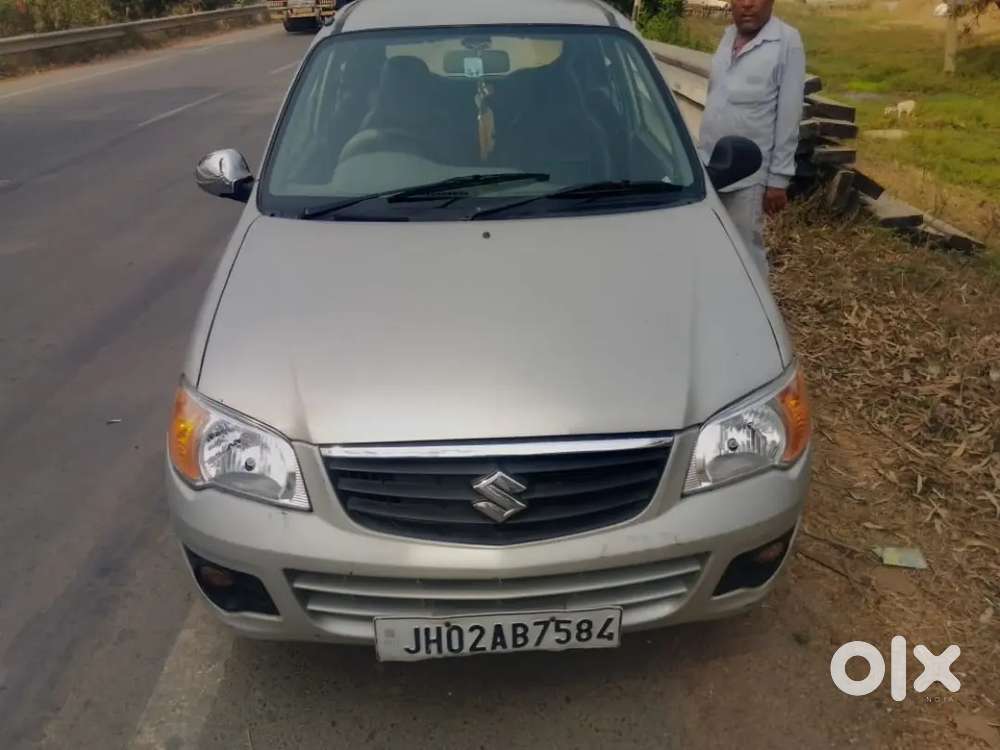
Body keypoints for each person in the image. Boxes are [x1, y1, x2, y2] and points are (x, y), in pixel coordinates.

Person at [699, 0, 806, 275]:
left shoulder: (786, 42)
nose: (747, 4)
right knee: (712, 243)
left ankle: (757, 311)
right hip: (709, 165)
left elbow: (789, 114)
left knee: (746, 251)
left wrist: (778, 179)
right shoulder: (727, 38)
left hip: (749, 176)